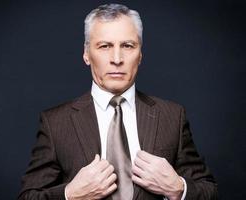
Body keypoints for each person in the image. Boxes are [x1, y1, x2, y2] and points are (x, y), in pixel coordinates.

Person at [18, 4, 218, 200]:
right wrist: (69, 195)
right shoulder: (55, 123)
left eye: (127, 45)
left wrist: (178, 189)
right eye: (104, 46)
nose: (116, 58)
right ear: (87, 54)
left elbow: (208, 190)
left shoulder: (172, 116)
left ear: (140, 54)